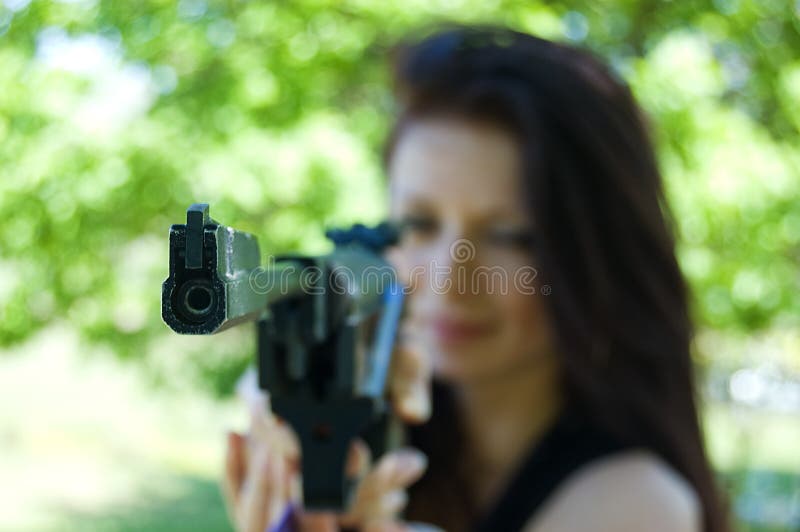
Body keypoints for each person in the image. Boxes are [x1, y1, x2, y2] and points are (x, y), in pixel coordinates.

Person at [221, 24, 731, 532]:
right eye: (418, 224)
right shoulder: (381, 430)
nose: (449, 280)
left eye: (512, 236)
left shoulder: (638, 503)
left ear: (595, 256)